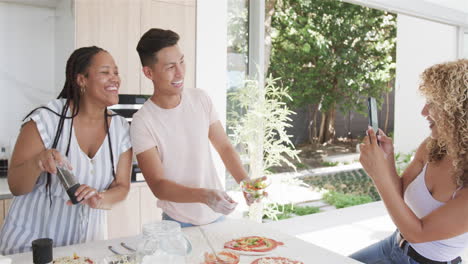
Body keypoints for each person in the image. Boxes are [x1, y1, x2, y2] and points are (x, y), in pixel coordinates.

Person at [0, 46, 133, 255]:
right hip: (31, 247)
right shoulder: (46, 120)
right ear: (82, 80)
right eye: (105, 72)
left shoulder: (121, 129)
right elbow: (16, 186)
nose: (115, 78)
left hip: (85, 248)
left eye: (116, 72)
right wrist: (38, 162)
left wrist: (100, 198)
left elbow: (122, 186)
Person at [131, 28, 261, 227]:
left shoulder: (200, 99)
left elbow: (224, 147)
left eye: (182, 61)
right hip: (177, 223)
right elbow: (158, 185)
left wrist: (245, 182)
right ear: (149, 73)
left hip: (217, 215)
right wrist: (204, 196)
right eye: (170, 67)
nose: (180, 72)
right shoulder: (143, 121)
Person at [350, 59, 468, 264]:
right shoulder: (434, 146)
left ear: (459, 112)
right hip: (393, 245)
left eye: (434, 103)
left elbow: (418, 233)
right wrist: (386, 161)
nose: (424, 111)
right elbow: (401, 193)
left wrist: (379, 176)